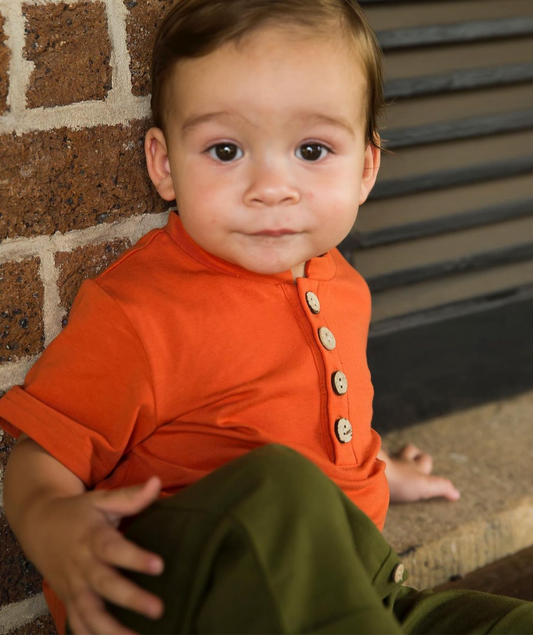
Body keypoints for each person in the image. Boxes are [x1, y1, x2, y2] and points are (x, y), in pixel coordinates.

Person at [1, 0, 530, 634]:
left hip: (359, 583)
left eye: (312, 149)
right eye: (226, 150)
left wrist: (376, 465)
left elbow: (300, 411)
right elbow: (40, 456)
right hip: (197, 599)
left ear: (366, 167)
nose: (271, 186)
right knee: (283, 488)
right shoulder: (140, 310)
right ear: (165, 164)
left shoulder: (344, 288)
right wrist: (53, 527)